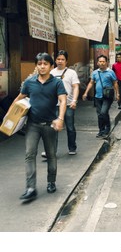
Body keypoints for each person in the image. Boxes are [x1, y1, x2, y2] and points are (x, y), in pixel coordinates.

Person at [11, 52, 67, 202]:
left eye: (45, 64)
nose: (42, 66)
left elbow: (62, 101)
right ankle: (31, 188)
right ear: (36, 65)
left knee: (51, 155)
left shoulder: (57, 83)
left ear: (50, 66)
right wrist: (10, 116)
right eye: (39, 64)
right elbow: (19, 98)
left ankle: (51, 182)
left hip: (50, 125)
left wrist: (60, 118)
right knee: (29, 154)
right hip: (33, 125)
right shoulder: (29, 82)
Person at [41, 50, 80, 157]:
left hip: (68, 105)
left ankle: (72, 148)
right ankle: (51, 151)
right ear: (55, 60)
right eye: (58, 59)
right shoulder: (51, 73)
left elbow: (75, 87)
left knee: (70, 127)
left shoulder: (71, 73)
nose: (60, 61)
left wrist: (74, 100)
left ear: (66, 61)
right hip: (54, 105)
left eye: (62, 59)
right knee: (53, 128)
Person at [82, 54, 119, 139]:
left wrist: (117, 94)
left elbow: (115, 83)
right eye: (100, 61)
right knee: (100, 115)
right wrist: (86, 93)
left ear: (106, 62)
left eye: (103, 61)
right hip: (97, 97)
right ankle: (101, 131)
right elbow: (91, 82)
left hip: (107, 96)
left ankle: (107, 128)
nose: (102, 63)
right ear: (97, 63)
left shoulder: (110, 72)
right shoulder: (95, 72)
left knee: (103, 112)